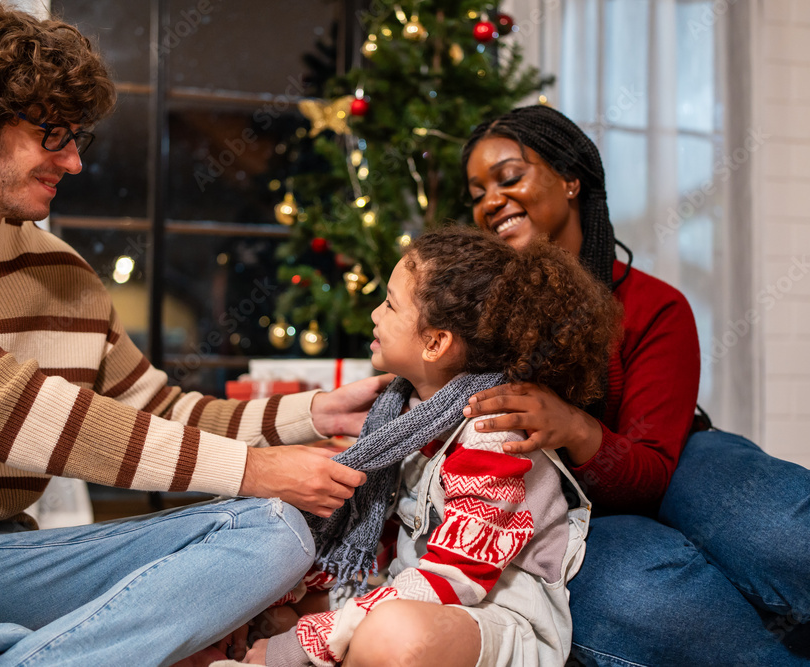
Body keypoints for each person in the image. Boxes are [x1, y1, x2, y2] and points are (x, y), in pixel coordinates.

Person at [0, 2, 390, 665]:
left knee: (271, 530)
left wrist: (310, 413)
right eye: (54, 134)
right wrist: (256, 468)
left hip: (7, 560)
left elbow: (163, 412)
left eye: (80, 137)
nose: (76, 161)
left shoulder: (66, 277)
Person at [460, 104, 810, 665]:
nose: (490, 202)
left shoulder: (654, 305)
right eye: (476, 193)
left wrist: (574, 425)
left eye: (508, 177)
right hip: (558, 508)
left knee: (775, 527)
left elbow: (649, 471)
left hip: (669, 456)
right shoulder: (475, 325)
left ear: (571, 180)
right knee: (645, 593)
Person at [240, 227, 621, 666]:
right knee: (285, 610)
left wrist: (296, 648)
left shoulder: (492, 436)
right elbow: (383, 529)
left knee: (390, 636)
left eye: (389, 304)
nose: (374, 314)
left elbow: (454, 577)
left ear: (436, 342)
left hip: (493, 614)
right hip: (413, 585)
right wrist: (301, 595)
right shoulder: (403, 414)